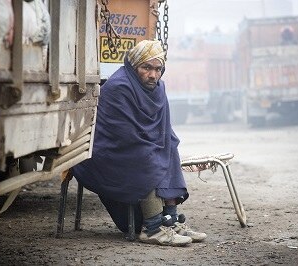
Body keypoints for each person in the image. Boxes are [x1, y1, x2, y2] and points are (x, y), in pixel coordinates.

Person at [71, 40, 206, 246]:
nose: (153, 75)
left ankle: (170, 221)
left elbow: (163, 128)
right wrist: (153, 144)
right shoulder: (119, 86)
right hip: (107, 151)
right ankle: (152, 228)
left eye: (158, 69)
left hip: (137, 144)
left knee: (170, 147)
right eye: (147, 68)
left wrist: (164, 143)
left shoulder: (158, 88)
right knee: (147, 153)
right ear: (134, 66)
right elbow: (123, 133)